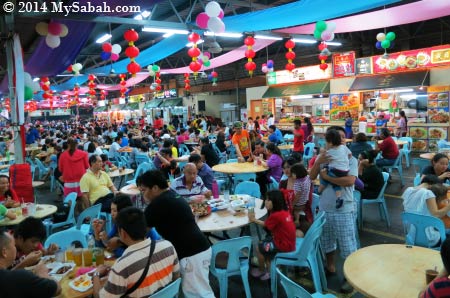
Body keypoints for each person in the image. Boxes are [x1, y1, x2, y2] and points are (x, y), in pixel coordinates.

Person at [137, 170, 214, 298]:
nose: (142, 195)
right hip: (201, 248)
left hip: (191, 255)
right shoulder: (173, 195)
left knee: (199, 295)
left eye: (144, 190)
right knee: (198, 291)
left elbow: (139, 233)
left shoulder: (156, 204)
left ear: (155, 188)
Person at [309, 125, 358, 293]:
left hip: (343, 208)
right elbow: (311, 177)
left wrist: (327, 177)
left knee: (347, 244)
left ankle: (350, 277)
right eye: (337, 137)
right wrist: (318, 162)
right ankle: (330, 266)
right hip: (324, 207)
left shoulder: (350, 159)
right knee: (327, 241)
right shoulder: (324, 156)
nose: (341, 140)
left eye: (342, 137)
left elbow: (350, 181)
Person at [93, 207, 180, 297]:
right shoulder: (168, 246)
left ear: (122, 233)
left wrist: (96, 274)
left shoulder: (121, 266)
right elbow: (176, 279)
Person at [249, 190, 296, 281]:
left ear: (275, 202)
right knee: (264, 242)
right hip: (289, 242)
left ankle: (263, 270)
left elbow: (266, 224)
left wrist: (253, 219)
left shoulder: (276, 215)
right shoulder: (284, 211)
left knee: (259, 247)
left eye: (268, 200)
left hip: (283, 245)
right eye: (265, 199)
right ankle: (270, 267)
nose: (265, 202)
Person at [0, 231, 61, 297]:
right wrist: (42, 274)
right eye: (14, 245)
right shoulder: (20, 277)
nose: (16, 249)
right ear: (4, 252)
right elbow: (57, 289)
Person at [402, 175, 450, 247]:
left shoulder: (408, 190)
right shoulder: (428, 193)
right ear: (433, 185)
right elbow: (436, 214)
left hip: (411, 237)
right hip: (429, 239)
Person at [318, 129, 351, 209]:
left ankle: (319, 190)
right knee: (335, 183)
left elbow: (324, 156)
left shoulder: (330, 152)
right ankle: (339, 198)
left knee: (325, 177)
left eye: (326, 142)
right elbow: (350, 155)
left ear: (330, 142)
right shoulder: (343, 148)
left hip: (336, 171)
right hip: (345, 170)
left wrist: (323, 150)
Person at [290, 163, 312, 232]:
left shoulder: (297, 183)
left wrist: (292, 204)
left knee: (295, 210)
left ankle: (296, 221)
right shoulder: (307, 178)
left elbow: (297, 196)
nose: (291, 175)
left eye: (292, 174)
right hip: (305, 200)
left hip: (299, 203)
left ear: (297, 174)